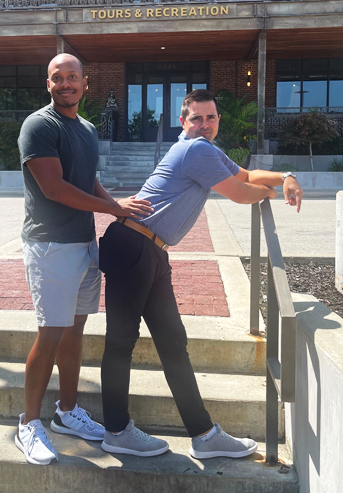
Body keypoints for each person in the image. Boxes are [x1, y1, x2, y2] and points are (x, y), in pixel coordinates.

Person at [99, 89, 303, 459]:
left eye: (210, 118)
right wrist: (270, 193)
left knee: (174, 342)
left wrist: (285, 175)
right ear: (183, 122)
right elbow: (241, 192)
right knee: (121, 342)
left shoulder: (206, 148)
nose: (204, 124)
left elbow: (245, 173)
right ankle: (116, 430)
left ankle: (204, 435)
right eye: (196, 118)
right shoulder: (195, 149)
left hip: (152, 250)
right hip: (133, 244)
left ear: (218, 121)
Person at [16, 53, 152, 465]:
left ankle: (66, 412)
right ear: (48, 84)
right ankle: (28, 423)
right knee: (51, 335)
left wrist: (118, 206)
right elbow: (55, 188)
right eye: (57, 78)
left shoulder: (87, 129)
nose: (65, 84)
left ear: (85, 83)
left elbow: (86, 178)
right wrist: (112, 209)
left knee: (74, 334)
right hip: (51, 246)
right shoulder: (40, 125)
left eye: (72, 77)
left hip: (82, 244)